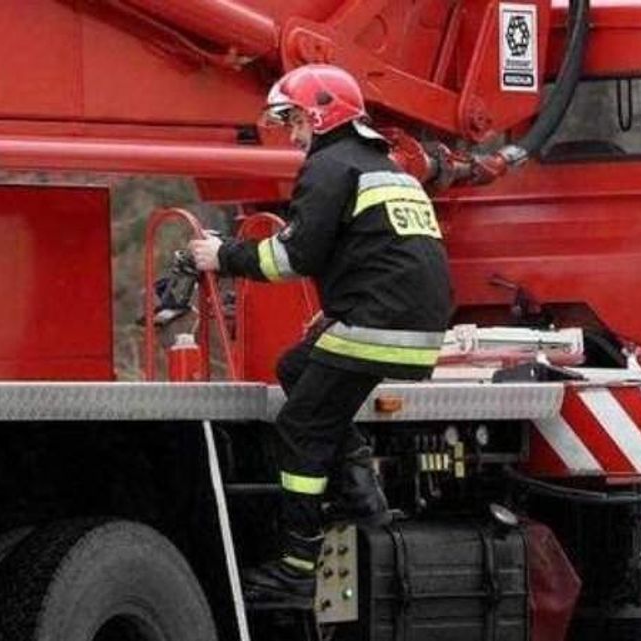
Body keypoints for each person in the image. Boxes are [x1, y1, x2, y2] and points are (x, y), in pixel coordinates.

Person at [188, 64, 453, 609]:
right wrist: (339, 309)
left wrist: (223, 257)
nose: (291, 133)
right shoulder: (386, 167)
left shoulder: (328, 167)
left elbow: (291, 257)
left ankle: (298, 566)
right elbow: (383, 254)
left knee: (300, 426)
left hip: (374, 325)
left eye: (292, 120)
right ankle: (363, 497)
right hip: (408, 325)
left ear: (319, 113)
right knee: (295, 369)